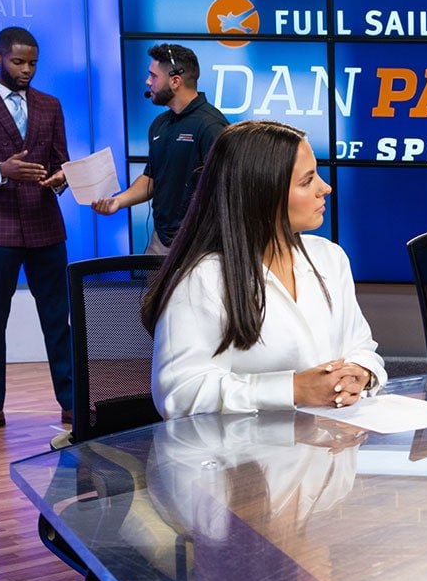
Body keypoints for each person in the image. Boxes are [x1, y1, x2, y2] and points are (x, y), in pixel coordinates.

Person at [141, 120, 386, 418]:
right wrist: (293, 389)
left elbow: (361, 346)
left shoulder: (330, 258)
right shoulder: (203, 279)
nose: (326, 188)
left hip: (328, 446)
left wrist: (361, 372)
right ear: (262, 193)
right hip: (240, 457)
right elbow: (180, 394)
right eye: (307, 181)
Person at [0, 26, 75, 438]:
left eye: (33, 63)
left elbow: (63, 162)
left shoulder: (50, 105)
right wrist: (2, 170)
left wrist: (61, 178)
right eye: (19, 62)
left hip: (45, 226)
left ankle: (72, 403)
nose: (27, 70)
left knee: (58, 321)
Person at [93, 43, 228, 254]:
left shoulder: (211, 126)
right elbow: (152, 178)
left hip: (199, 243)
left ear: (175, 81)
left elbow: (225, 190)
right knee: (155, 288)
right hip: (160, 240)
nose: (148, 81)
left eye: (153, 76)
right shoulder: (159, 124)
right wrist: (117, 202)